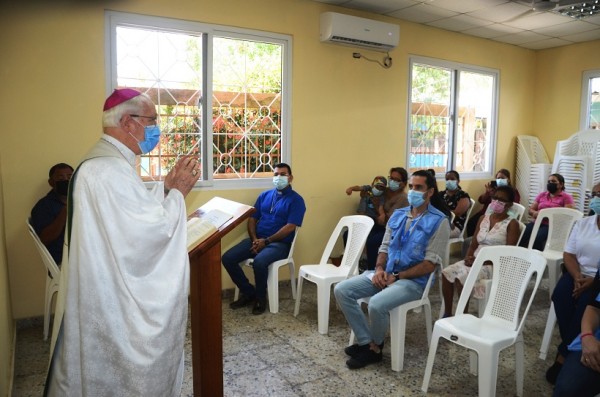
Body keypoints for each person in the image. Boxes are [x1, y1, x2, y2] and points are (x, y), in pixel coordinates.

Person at [45, 89, 200, 396]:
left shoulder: (107, 162)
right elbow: (144, 235)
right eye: (153, 120)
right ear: (129, 122)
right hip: (111, 297)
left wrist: (165, 189)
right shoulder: (108, 169)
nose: (157, 128)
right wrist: (179, 194)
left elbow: (132, 213)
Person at [333, 170, 450, 369]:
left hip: (412, 282)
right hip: (386, 273)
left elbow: (430, 264)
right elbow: (384, 247)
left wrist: (397, 275)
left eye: (419, 188)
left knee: (377, 304)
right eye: (411, 187)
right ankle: (366, 342)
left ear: (430, 192)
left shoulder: (439, 221)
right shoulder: (398, 215)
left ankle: (375, 349)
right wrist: (378, 269)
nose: (413, 191)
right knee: (342, 290)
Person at [223, 163, 306, 315]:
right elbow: (252, 219)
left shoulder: (296, 200)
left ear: (290, 178)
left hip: (279, 244)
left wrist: (266, 241)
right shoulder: (264, 196)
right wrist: (255, 239)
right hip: (258, 240)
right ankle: (249, 293)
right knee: (228, 258)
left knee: (260, 262)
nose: (279, 177)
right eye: (276, 174)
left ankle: (261, 299)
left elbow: (290, 227)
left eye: (283, 174)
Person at [544, 183, 600, 385]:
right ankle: (571, 344)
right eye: (594, 195)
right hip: (577, 272)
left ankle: (563, 354)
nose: (596, 199)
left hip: (597, 279)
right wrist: (576, 276)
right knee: (560, 295)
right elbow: (568, 254)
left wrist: (594, 281)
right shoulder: (584, 224)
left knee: (586, 302)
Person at [440, 186, 520, 317]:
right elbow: (473, 244)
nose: (496, 201)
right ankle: (448, 313)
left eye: (501, 200)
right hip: (476, 260)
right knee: (446, 273)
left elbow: (509, 253)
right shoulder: (484, 218)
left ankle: (462, 315)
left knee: (461, 278)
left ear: (509, 204)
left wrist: (481, 261)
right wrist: (468, 257)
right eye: (495, 198)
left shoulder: (512, 224)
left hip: (494, 265)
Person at [553, 271, 600, 397]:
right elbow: (594, 308)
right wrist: (587, 336)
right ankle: (564, 353)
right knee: (566, 390)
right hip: (596, 343)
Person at [30, 163, 74, 265]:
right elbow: (45, 239)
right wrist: (64, 213)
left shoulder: (79, 200)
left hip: (83, 251)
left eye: (69, 177)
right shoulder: (43, 206)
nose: (66, 181)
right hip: (63, 259)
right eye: (61, 178)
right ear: (51, 182)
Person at [519, 173, 574, 251]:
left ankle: (537, 258)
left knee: (537, 238)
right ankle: (520, 254)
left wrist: (550, 216)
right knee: (522, 234)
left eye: (553, 181)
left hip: (552, 225)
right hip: (537, 222)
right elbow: (531, 209)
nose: (550, 183)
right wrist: (535, 213)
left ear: (561, 184)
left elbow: (567, 215)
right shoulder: (542, 195)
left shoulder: (566, 197)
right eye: (549, 181)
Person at [466, 168, 521, 237]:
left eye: (502, 178)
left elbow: (513, 206)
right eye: (498, 178)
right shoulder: (494, 189)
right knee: (472, 222)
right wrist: (487, 193)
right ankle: (474, 240)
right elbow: (481, 201)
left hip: (501, 214)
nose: (500, 180)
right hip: (485, 213)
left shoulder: (512, 192)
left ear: (508, 179)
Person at [439, 170, 470, 238]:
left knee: (432, 234)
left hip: (454, 226)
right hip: (440, 222)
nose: (449, 181)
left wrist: (441, 215)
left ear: (458, 181)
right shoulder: (441, 194)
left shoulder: (463, 196)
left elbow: (457, 213)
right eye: (447, 179)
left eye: (452, 179)